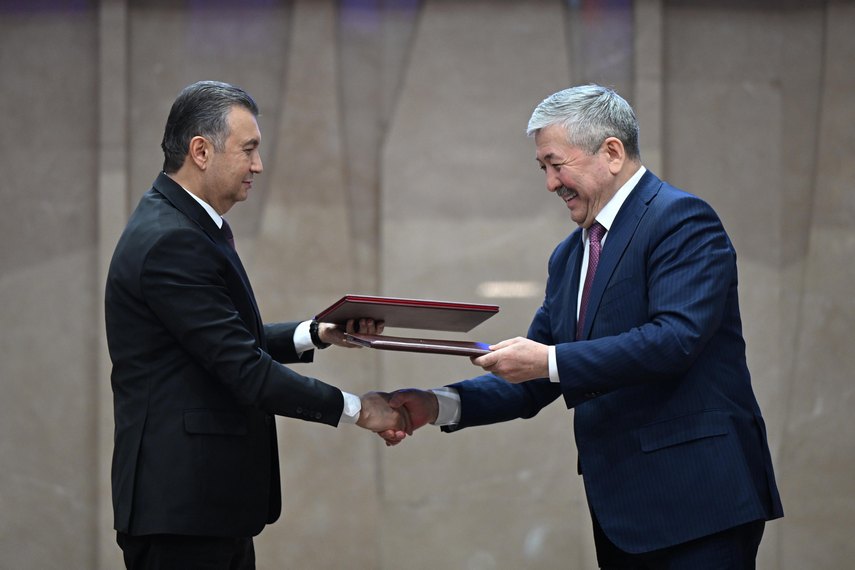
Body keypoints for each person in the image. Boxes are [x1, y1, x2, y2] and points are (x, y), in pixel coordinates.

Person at [382, 84, 783, 569]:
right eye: (543, 169)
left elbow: (675, 340)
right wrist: (435, 404)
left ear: (611, 152)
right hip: (622, 512)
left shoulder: (681, 220)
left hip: (700, 502)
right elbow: (535, 378)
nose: (551, 184)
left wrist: (548, 360)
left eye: (556, 164)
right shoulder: (570, 256)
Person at [105, 80, 410, 569]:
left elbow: (215, 343)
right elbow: (242, 367)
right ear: (200, 151)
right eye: (248, 149)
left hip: (202, 509)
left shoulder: (183, 225)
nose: (258, 165)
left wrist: (316, 333)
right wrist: (358, 410)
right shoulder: (171, 240)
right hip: (182, 515)